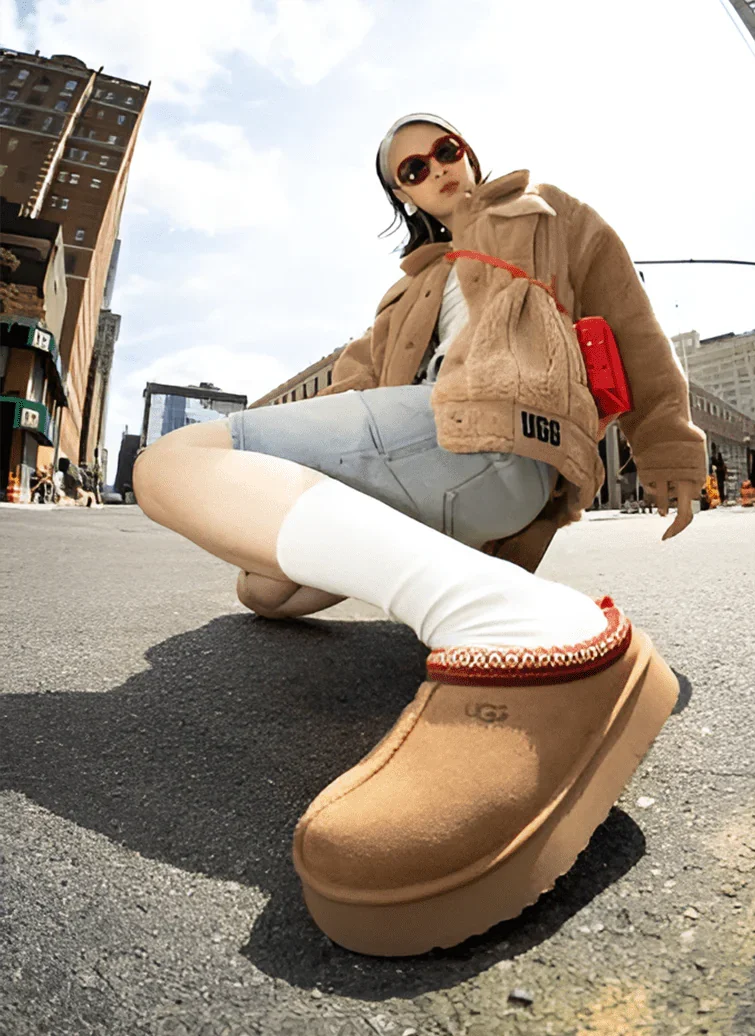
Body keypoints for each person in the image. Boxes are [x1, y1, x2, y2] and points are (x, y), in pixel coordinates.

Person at [130, 114, 707, 957]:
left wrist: (673, 455)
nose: (437, 166)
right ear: (403, 195)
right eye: (412, 168)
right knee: (264, 591)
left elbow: (635, 327)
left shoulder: (545, 213)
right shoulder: (407, 291)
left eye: (446, 149)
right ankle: (470, 581)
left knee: (172, 462)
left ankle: (517, 617)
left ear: (467, 152)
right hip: (429, 456)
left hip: (502, 431)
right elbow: (354, 393)